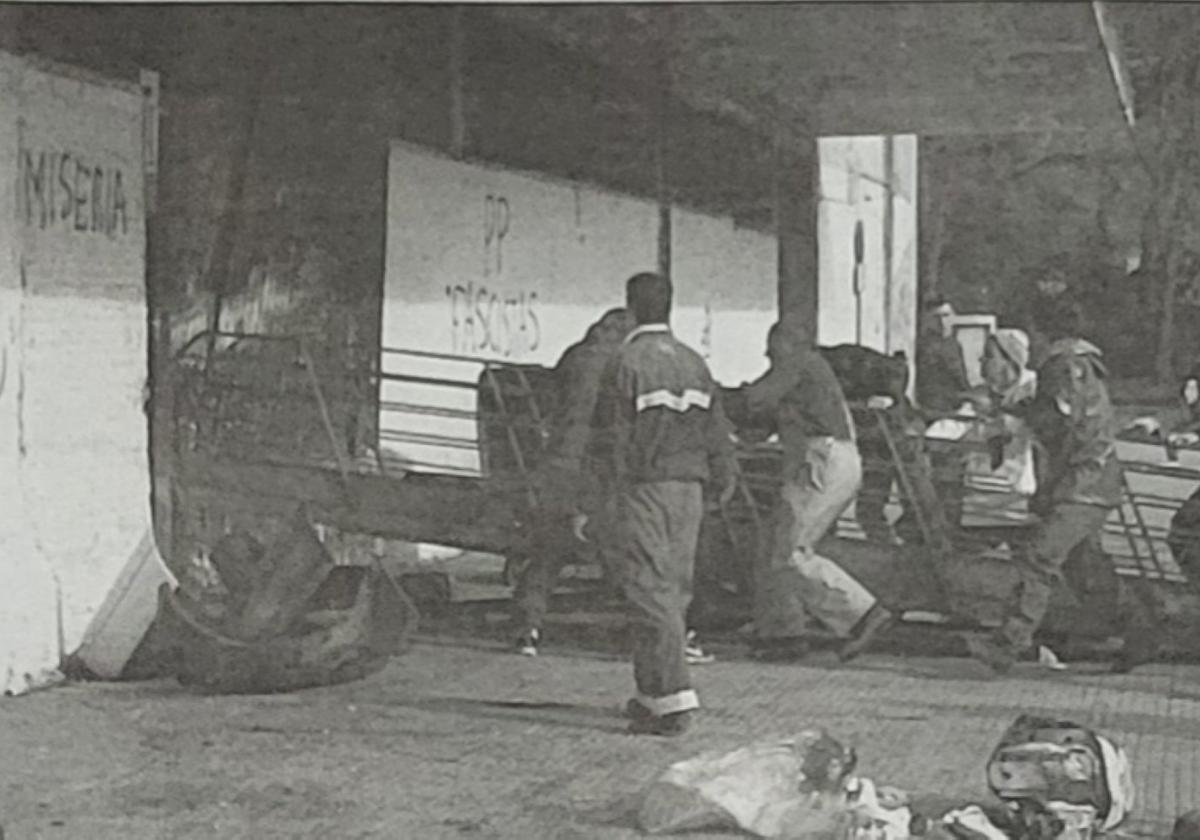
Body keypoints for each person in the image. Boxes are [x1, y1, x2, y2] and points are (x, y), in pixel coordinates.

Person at [585, 272, 736, 736]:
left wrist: (595, 498)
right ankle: (651, 693)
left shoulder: (625, 362)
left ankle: (673, 698)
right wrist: (724, 476)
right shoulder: (694, 363)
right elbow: (717, 429)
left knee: (647, 589)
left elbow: (612, 439)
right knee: (673, 587)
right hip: (689, 488)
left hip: (645, 486)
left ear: (631, 307)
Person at [966, 337, 1157, 674]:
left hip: (1081, 486)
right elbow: (1063, 415)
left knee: (1040, 557)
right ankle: (1140, 632)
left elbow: (1063, 420)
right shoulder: (1079, 368)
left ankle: (1007, 643)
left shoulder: (1067, 367)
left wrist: (1017, 419)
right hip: (1090, 485)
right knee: (1087, 571)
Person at [741, 320, 894, 663]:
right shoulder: (810, 371)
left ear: (788, 342)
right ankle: (782, 631)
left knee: (791, 552)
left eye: (772, 346)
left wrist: (710, 396)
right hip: (828, 458)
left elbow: (755, 399)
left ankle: (863, 613)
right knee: (773, 542)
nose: (767, 354)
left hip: (823, 459)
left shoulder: (799, 362)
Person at [510, 308, 633, 656]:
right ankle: (643, 628)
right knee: (617, 550)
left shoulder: (574, 356)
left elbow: (551, 403)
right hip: (593, 467)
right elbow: (611, 424)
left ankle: (528, 627)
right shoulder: (617, 368)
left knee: (548, 550)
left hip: (556, 462)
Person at [913, 297, 972, 534]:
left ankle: (947, 525)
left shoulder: (953, 344)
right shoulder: (930, 347)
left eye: (946, 316)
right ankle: (942, 527)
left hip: (953, 412)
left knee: (951, 475)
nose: (942, 322)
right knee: (944, 475)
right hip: (939, 414)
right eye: (936, 317)